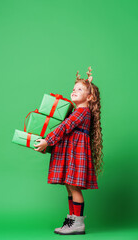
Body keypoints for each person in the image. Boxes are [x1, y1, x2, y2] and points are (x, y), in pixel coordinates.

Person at [34, 66, 104, 235]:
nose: (74, 91)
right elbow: (65, 133)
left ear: (90, 97)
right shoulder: (75, 111)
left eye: (79, 89)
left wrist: (47, 141)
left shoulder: (82, 111)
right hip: (71, 155)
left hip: (76, 156)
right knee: (69, 187)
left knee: (74, 188)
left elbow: (65, 127)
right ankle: (72, 219)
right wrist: (48, 145)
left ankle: (78, 223)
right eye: (73, 88)